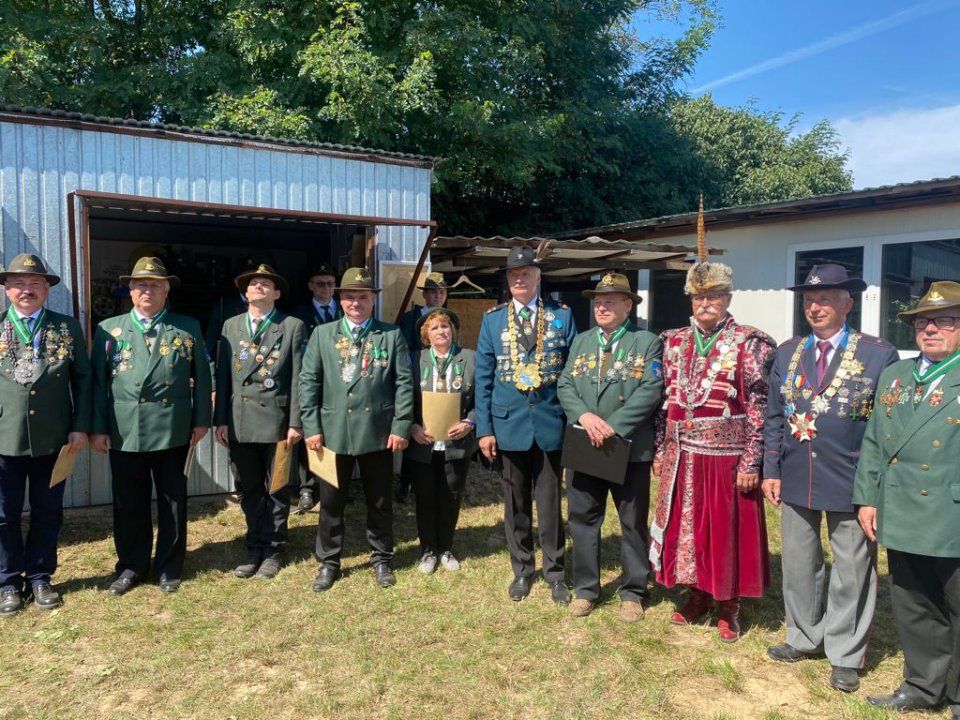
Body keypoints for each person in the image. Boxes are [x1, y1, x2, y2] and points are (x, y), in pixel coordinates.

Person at [762, 264, 898, 692]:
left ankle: (844, 652)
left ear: (847, 303)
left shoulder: (879, 354)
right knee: (800, 564)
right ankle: (803, 637)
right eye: (808, 300)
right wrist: (771, 468)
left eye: (824, 299)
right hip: (797, 473)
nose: (815, 307)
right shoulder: (787, 353)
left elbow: (884, 427)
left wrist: (875, 485)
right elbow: (773, 417)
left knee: (853, 569)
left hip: (851, 477)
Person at [650, 257, 775, 642]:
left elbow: (760, 405)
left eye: (714, 296)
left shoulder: (750, 342)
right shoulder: (673, 341)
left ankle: (729, 606)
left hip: (727, 458)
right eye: (698, 297)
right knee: (687, 528)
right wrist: (660, 448)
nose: (705, 303)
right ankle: (697, 596)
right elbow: (662, 402)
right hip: (683, 453)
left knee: (724, 531)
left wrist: (753, 459)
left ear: (728, 298)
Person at [853, 281, 960, 717]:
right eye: (922, 322)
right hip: (900, 506)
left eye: (944, 321)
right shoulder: (896, 376)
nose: (930, 329)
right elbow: (876, 441)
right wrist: (867, 498)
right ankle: (922, 685)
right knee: (912, 601)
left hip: (950, 512)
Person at [91, 257, 212, 596]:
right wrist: (98, 428)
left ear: (166, 289)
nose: (148, 290)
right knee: (128, 502)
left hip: (172, 428)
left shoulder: (186, 326)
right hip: (125, 429)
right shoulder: (109, 329)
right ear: (130, 290)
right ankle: (131, 565)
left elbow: (202, 376)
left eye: (155, 284)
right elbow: (98, 384)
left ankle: (170, 565)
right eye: (141, 284)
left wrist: (201, 420)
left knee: (173, 501)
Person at [299, 267, 413, 591]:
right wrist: (311, 427)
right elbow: (309, 382)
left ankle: (381, 558)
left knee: (379, 500)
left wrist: (401, 425)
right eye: (349, 297)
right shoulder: (323, 334)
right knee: (331, 501)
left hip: (379, 431)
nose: (356, 303)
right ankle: (329, 561)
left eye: (362, 297)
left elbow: (404, 384)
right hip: (333, 432)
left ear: (372, 300)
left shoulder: (390, 335)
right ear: (341, 300)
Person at [557, 273, 663, 621]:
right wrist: (585, 417)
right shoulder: (583, 341)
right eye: (598, 301)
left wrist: (612, 426)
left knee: (632, 521)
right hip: (585, 442)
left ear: (627, 305)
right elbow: (565, 383)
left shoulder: (646, 341)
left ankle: (633, 591)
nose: (601, 307)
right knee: (583, 518)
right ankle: (587, 589)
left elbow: (651, 389)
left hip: (628, 446)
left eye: (610, 301)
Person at [475, 245, 576, 604]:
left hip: (550, 424)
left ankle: (555, 573)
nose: (520, 279)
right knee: (515, 503)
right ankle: (522, 569)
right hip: (509, 425)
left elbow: (571, 374)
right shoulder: (493, 320)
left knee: (549, 504)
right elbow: (483, 378)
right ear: (508, 280)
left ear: (538, 277)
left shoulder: (562, 316)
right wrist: (484, 430)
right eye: (514, 275)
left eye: (526, 273)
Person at [0, 254, 91, 616]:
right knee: (3, 515)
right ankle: (7, 582)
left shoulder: (66, 328)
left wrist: (80, 425)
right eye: (19, 283)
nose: (27, 290)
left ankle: (39, 576)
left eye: (35, 283)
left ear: (47, 290)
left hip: (54, 440)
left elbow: (83, 380)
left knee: (47, 512)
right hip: (3, 439)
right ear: (7, 289)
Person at [214, 264, 305, 580]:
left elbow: (298, 378)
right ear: (245, 293)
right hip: (240, 422)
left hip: (277, 422)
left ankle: (275, 549)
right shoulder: (231, 326)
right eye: (254, 283)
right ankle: (255, 545)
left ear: (277, 293)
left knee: (277, 488)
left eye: (266, 283)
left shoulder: (291, 326)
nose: (259, 287)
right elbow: (223, 375)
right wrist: (220, 420)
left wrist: (296, 422)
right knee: (248, 488)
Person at [405, 308, 477, 574]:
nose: (441, 331)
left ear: (453, 331)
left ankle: (445, 548)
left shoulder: (470, 358)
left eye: (445, 326)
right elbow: (404, 398)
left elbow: (483, 398)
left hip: (456, 444)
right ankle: (427, 551)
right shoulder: (414, 360)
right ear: (426, 334)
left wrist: (470, 422)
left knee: (450, 496)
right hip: (422, 443)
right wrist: (411, 426)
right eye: (434, 328)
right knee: (424, 498)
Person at [290, 264, 340, 513]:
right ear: (310, 286)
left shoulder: (344, 310)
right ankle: (307, 488)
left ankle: (332, 486)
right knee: (309, 435)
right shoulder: (298, 313)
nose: (326, 288)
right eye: (320, 283)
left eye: (330, 283)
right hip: (310, 382)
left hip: (339, 385)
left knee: (336, 435)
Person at [398, 272, 449, 354]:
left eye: (442, 292)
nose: (438, 296)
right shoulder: (410, 318)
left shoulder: (450, 319)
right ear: (424, 294)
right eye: (433, 292)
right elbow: (402, 351)